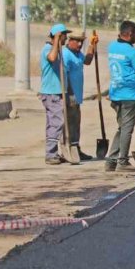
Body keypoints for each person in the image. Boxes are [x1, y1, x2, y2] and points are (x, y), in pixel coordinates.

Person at [106, 20, 135, 172]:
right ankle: (122, 162)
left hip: (116, 94)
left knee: (122, 128)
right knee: (126, 129)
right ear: (129, 34)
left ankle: (111, 161)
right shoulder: (132, 52)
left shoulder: (112, 47)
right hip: (130, 96)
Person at [62, 32, 97, 160]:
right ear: (69, 40)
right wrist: (67, 94)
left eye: (82, 41)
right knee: (69, 123)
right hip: (69, 94)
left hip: (76, 96)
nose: (80, 44)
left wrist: (92, 45)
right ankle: (67, 149)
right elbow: (63, 76)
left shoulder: (77, 53)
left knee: (76, 123)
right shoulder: (65, 54)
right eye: (77, 41)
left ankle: (76, 148)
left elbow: (87, 61)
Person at [40, 23, 71, 165]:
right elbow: (51, 58)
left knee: (53, 123)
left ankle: (54, 152)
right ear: (59, 36)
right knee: (57, 122)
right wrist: (57, 41)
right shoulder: (48, 49)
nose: (66, 38)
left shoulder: (58, 50)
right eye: (64, 35)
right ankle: (50, 154)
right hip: (51, 93)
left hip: (57, 92)